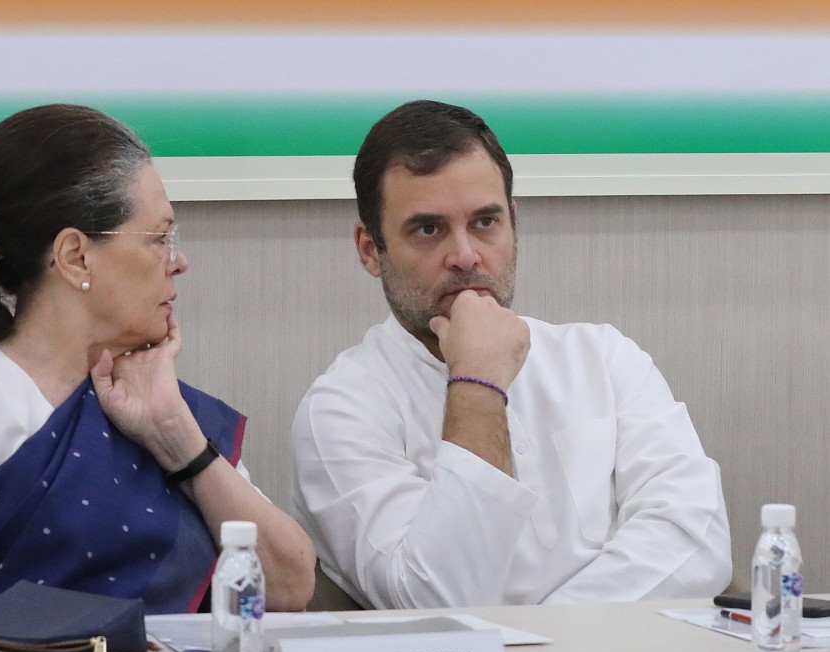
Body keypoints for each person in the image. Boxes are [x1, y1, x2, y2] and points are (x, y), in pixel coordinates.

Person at [0, 103, 315, 626]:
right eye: (159, 238)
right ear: (75, 255)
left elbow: (289, 586)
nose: (178, 260)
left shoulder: (165, 406)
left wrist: (178, 440)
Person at [291, 100, 732, 609]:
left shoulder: (605, 358)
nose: (465, 255)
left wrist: (550, 640)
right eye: (428, 229)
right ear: (370, 249)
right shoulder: (340, 410)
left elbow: (694, 540)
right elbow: (437, 601)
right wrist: (477, 382)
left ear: (513, 224)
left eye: (484, 222)